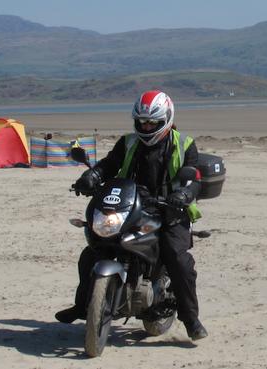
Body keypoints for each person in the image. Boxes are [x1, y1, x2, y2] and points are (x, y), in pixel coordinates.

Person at [55, 90, 208, 340]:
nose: (146, 126)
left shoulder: (185, 144)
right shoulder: (128, 142)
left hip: (171, 211)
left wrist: (184, 195)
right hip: (133, 205)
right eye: (142, 122)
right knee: (93, 250)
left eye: (152, 122)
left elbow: (194, 178)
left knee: (176, 258)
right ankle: (84, 305)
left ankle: (191, 319)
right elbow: (109, 164)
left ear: (166, 120)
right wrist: (91, 176)